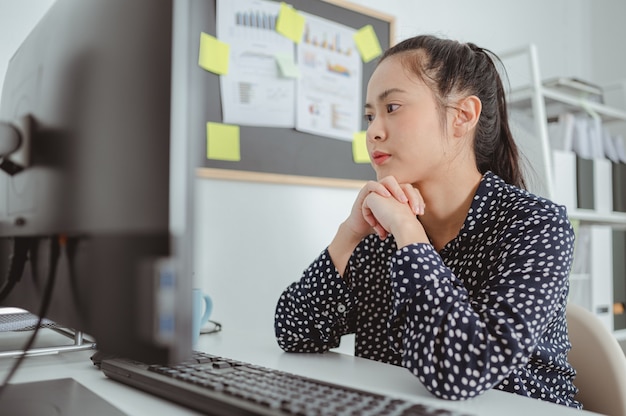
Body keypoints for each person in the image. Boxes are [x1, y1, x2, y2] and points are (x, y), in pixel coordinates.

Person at [274, 34, 581, 408]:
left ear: (463, 116)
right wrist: (349, 233)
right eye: (370, 115)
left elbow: (462, 370)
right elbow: (295, 333)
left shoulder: (536, 225)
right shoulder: (379, 231)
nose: (373, 131)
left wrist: (408, 234)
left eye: (393, 107)